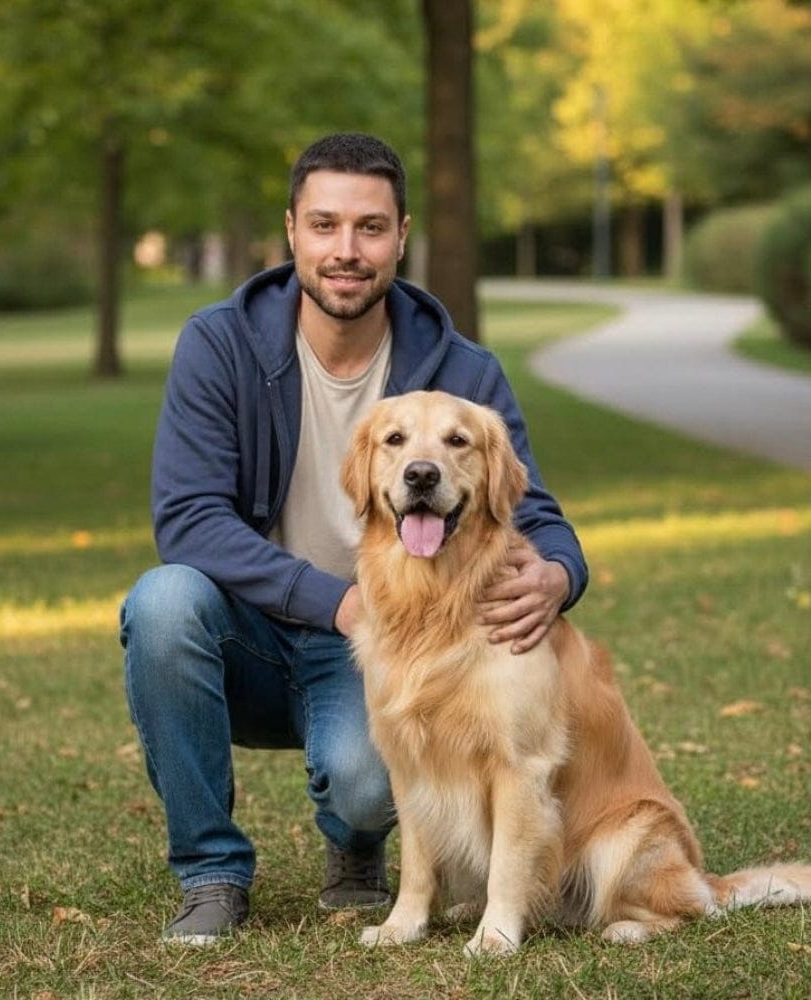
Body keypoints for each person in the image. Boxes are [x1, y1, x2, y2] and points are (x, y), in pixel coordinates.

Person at [120, 132, 588, 946]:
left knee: (371, 787)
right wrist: (336, 601)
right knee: (163, 604)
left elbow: (531, 503)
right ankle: (211, 873)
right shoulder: (221, 344)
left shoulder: (464, 370)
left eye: (370, 228)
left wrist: (560, 573)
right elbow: (188, 518)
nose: (347, 251)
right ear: (292, 231)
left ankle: (358, 849)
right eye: (326, 225)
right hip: (265, 628)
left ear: (401, 236)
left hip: (392, 645)